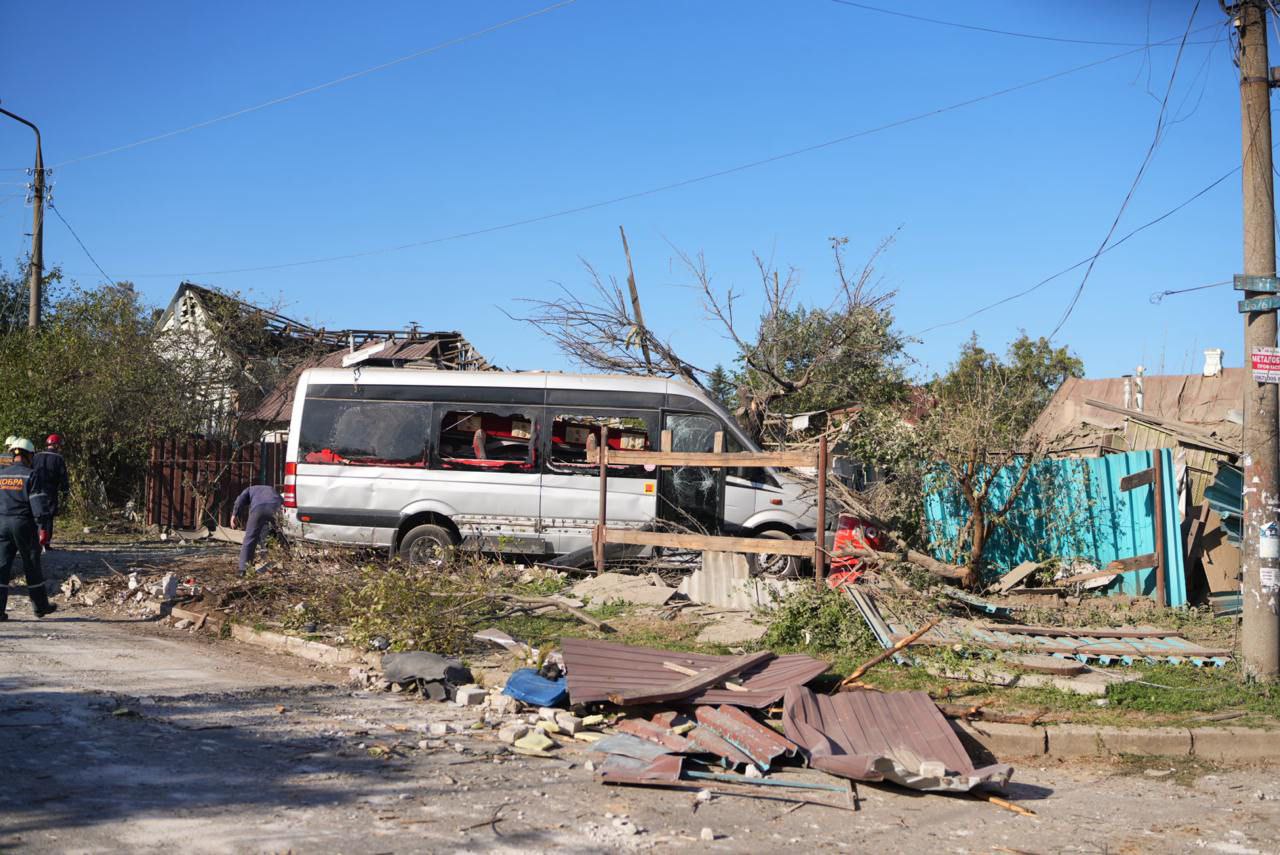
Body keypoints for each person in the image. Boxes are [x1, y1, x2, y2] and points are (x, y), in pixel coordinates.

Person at [0, 438, 57, 620]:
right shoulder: (31, 475)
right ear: (28, 456)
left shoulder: (1, 475)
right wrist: (43, 526)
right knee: (31, 564)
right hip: (23, 524)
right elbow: (37, 503)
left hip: (1, 523)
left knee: (2, 566)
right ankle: (40, 607)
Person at [230, 483, 283, 576]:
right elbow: (281, 500)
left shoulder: (249, 489)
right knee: (280, 534)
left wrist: (234, 515)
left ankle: (243, 570)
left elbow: (239, 500)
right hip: (276, 507)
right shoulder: (270, 489)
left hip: (259, 508)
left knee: (250, 538)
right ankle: (288, 558)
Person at [33, 434, 68, 550]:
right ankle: (46, 542)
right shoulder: (59, 458)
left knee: (36, 515)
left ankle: (35, 539)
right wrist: (65, 491)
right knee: (48, 516)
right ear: (56, 445)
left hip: (35, 490)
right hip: (50, 491)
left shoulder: (36, 456)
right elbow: (63, 477)